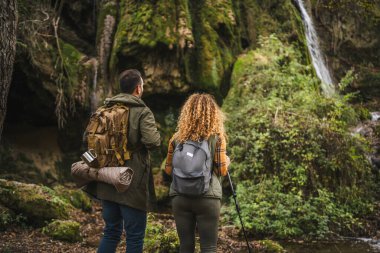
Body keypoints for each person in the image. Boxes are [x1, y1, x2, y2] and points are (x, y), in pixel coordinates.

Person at [83, 69, 161, 253]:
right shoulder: (142, 111)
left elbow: (86, 139)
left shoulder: (104, 109)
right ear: (138, 88)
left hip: (107, 181)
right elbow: (153, 142)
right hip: (131, 183)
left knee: (111, 232)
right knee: (134, 237)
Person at [164, 93, 230, 253]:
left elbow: (168, 170)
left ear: (186, 114)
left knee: (185, 247)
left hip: (180, 197)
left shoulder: (176, 138)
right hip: (207, 197)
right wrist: (227, 161)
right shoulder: (217, 138)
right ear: (213, 114)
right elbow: (221, 170)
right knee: (208, 247)